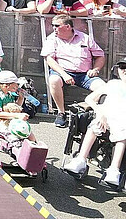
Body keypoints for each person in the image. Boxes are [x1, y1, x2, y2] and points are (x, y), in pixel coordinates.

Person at [62, 58, 126, 188]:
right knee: (95, 124)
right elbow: (89, 99)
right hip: (105, 117)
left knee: (123, 132)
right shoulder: (112, 84)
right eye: (122, 67)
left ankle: (114, 170)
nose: (125, 70)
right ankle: (80, 160)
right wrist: (100, 112)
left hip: (123, 121)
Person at [43, 13, 107, 128]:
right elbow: (49, 59)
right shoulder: (52, 38)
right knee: (53, 80)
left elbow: (100, 56)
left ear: (68, 26)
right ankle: (61, 113)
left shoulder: (85, 38)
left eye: (57, 25)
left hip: (84, 74)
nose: (54, 28)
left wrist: (96, 69)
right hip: (62, 72)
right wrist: (64, 74)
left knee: (103, 87)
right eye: (53, 25)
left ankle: (88, 110)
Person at [0, 71, 39, 143]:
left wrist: (21, 98)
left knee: (28, 133)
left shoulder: (9, 94)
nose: (17, 86)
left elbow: (14, 108)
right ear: (6, 85)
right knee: (14, 137)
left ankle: (33, 146)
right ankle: (17, 147)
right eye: (15, 84)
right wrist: (17, 116)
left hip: (11, 121)